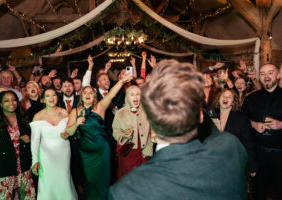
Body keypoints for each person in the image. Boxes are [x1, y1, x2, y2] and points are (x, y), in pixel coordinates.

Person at [109, 60, 248, 200]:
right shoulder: (231, 148)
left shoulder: (125, 191)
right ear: (200, 115)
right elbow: (214, 133)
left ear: (151, 122)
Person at [64, 73, 133, 200]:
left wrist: (122, 81)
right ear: (81, 96)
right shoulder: (75, 111)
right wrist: (76, 123)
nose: (88, 94)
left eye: (91, 92)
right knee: (90, 182)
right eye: (85, 93)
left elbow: (111, 93)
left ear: (95, 95)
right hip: (86, 153)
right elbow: (69, 132)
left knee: (103, 182)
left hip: (102, 151)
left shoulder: (100, 107)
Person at [0, 90, 35, 200]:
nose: (11, 103)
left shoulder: (25, 119)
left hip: (23, 169)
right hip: (2, 171)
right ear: (0, 104)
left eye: (14, 100)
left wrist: (28, 140)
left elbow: (35, 141)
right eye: (6, 100)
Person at [241, 64, 282, 200]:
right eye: (263, 73)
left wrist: (281, 124)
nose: (266, 76)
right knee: (258, 193)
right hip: (258, 156)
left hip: (280, 156)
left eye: (270, 72)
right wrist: (254, 124)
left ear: (278, 75)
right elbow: (241, 121)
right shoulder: (251, 98)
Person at [30, 88, 77, 200]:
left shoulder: (64, 112)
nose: (51, 98)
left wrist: (67, 134)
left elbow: (70, 131)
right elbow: (35, 141)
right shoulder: (38, 116)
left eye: (54, 95)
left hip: (64, 153)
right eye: (48, 96)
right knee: (48, 182)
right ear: (43, 100)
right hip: (46, 157)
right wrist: (35, 160)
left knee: (64, 179)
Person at [112, 85, 153, 179]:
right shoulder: (120, 113)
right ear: (127, 98)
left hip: (144, 152)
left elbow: (153, 129)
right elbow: (115, 131)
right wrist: (125, 136)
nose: (135, 97)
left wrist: (152, 141)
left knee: (144, 179)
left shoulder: (147, 111)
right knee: (128, 179)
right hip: (128, 153)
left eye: (138, 94)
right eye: (132, 95)